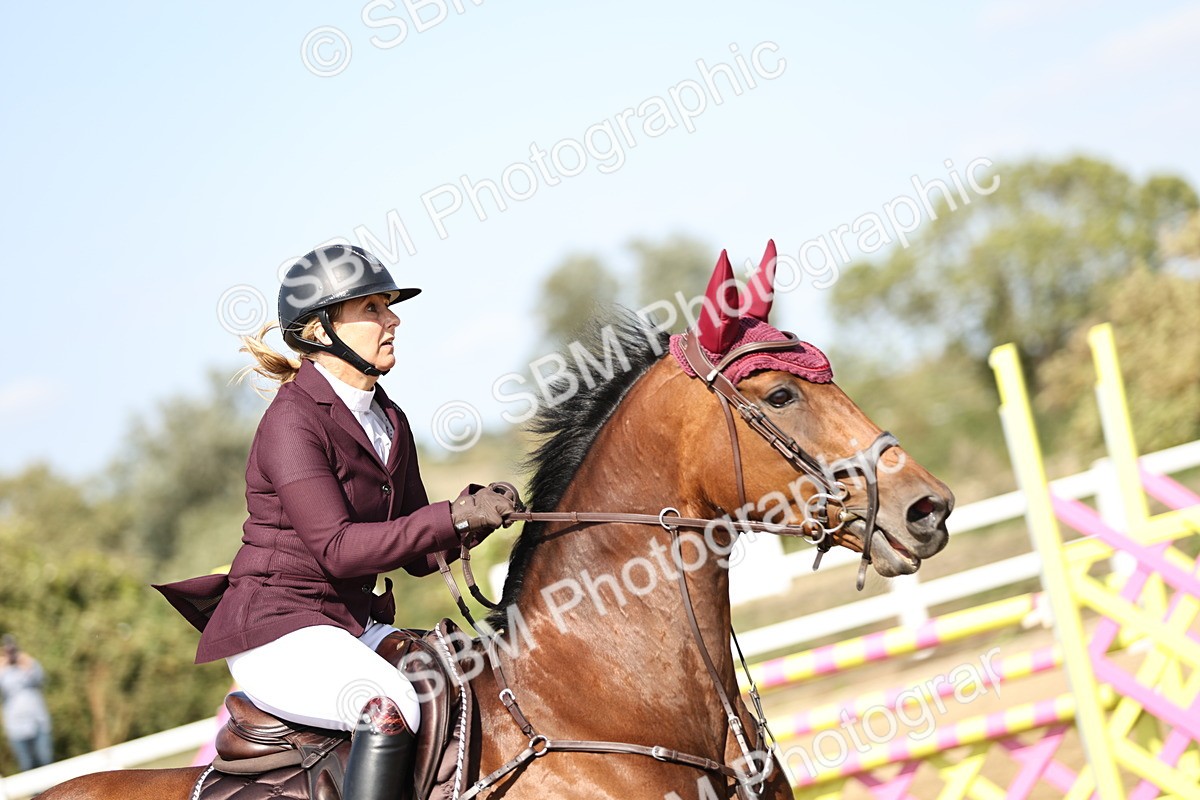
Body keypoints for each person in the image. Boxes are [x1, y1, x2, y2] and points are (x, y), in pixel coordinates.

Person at [154, 244, 516, 800]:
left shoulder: (388, 417)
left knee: (465, 678)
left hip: (347, 624)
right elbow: (340, 550)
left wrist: (475, 518)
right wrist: (450, 517)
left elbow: (419, 556)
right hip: (278, 632)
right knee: (387, 708)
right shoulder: (291, 421)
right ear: (320, 330)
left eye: (388, 307)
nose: (392, 319)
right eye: (372, 308)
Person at [0, 634, 54, 772]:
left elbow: (41, 678)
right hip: (16, 728)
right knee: (27, 765)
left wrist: (27, 662)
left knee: (46, 760)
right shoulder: (2, 671)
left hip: (38, 722)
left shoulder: (28, 664)